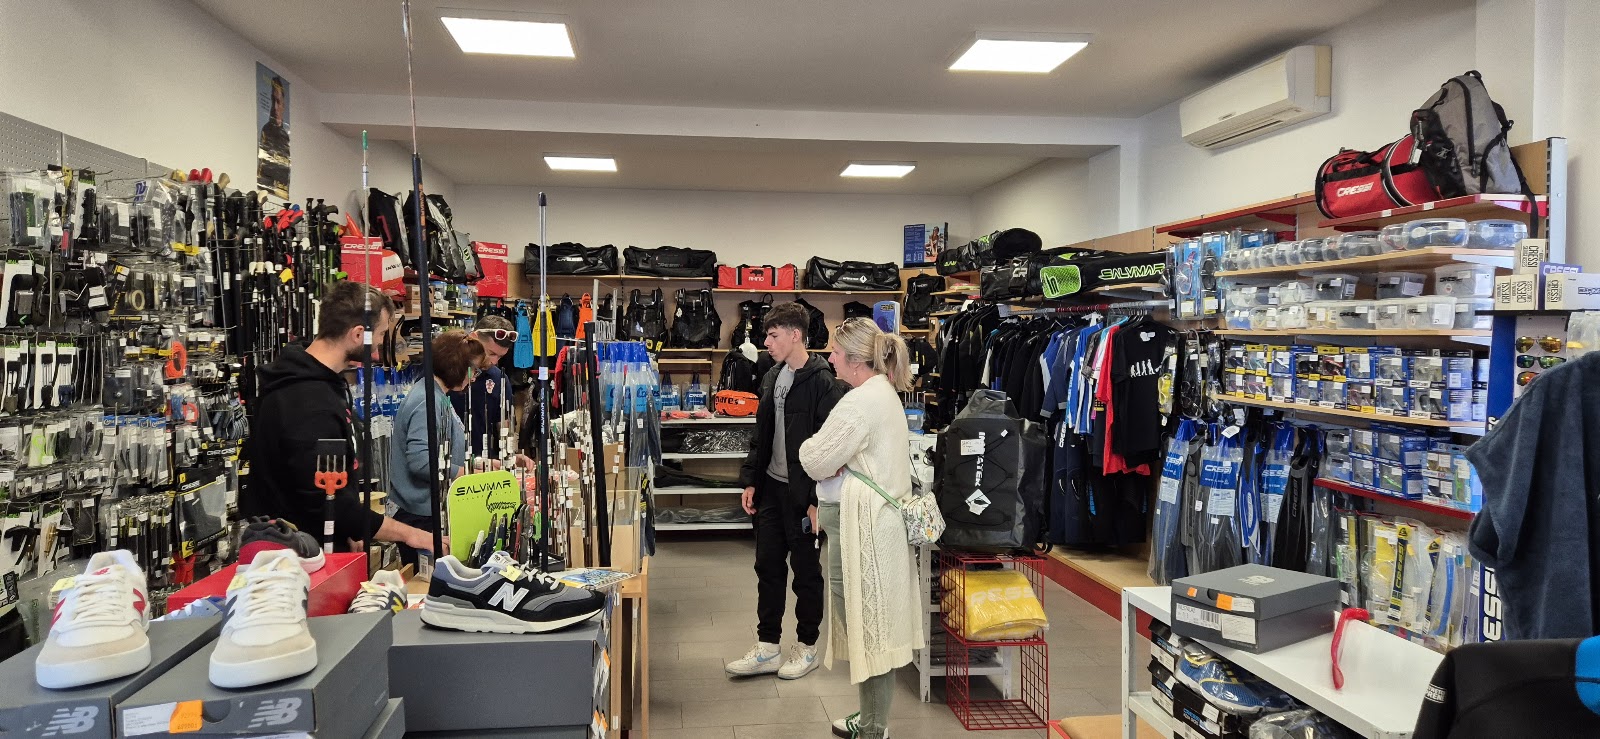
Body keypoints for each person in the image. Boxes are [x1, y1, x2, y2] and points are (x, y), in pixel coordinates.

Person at [241, 281, 432, 554]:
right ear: (358, 334)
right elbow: (328, 505)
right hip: (298, 559)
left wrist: (350, 529)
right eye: (380, 334)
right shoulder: (309, 402)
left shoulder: (319, 380)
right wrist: (411, 534)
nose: (380, 346)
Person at [799, 317, 923, 739]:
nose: (829, 356)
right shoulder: (883, 393)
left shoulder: (858, 403)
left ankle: (873, 727)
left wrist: (828, 458)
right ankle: (871, 719)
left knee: (868, 628)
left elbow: (813, 458)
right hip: (877, 525)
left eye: (835, 351)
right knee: (874, 625)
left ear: (855, 360)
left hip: (864, 529)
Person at [725, 302, 847, 680]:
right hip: (771, 490)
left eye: (773, 335)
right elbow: (761, 435)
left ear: (796, 335)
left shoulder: (824, 383)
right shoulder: (771, 376)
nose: (766, 342)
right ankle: (767, 647)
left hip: (803, 497)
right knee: (768, 567)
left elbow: (830, 450)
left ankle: (807, 648)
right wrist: (751, 479)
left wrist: (814, 501)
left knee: (806, 573)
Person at [389, 330, 484, 568]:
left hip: (428, 511)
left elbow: (443, 452)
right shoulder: (427, 401)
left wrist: (476, 464)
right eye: (473, 370)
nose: (474, 377)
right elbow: (422, 463)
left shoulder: (437, 396)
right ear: (457, 367)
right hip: (420, 517)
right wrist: (466, 474)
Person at [450, 315, 516, 460]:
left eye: (500, 357)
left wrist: (511, 457)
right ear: (473, 338)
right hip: (448, 464)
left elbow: (504, 427)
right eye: (491, 353)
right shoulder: (446, 372)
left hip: (484, 464)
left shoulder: (499, 379)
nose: (494, 361)